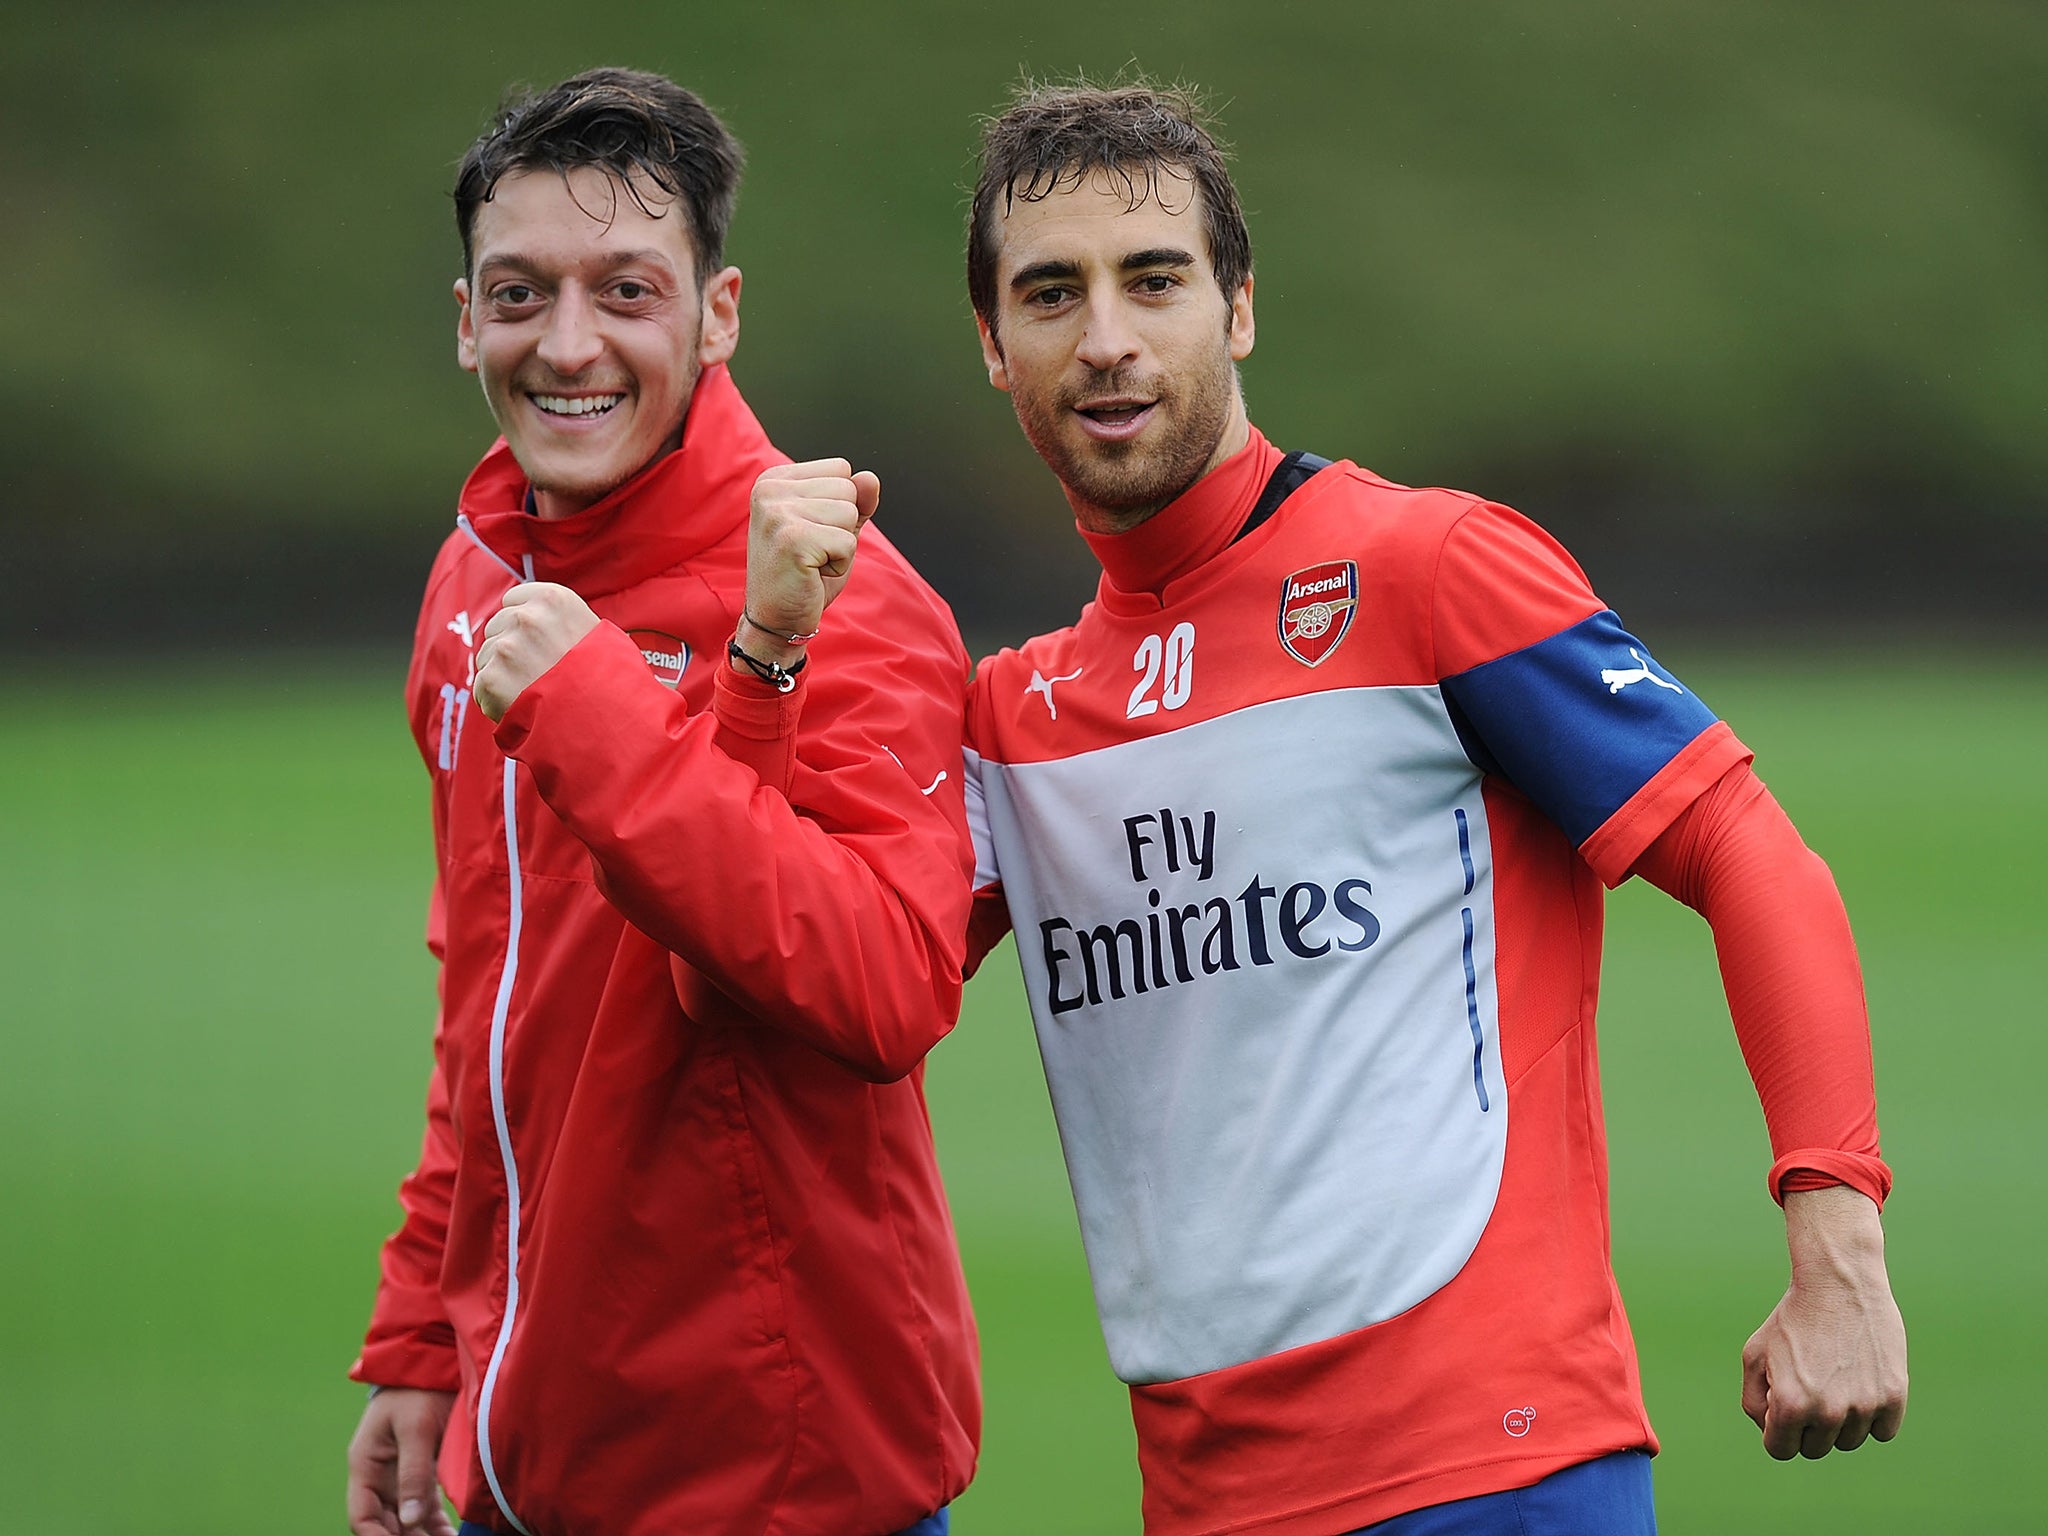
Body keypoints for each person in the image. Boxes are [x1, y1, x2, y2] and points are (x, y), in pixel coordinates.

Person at [744, 81, 1908, 1536]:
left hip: (1500, 1475)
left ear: (1237, 309)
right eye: (1052, 293)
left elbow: (1752, 852)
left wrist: (1837, 1242)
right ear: (995, 347)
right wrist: (767, 661)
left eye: (1152, 280)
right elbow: (818, 978)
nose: (1105, 337)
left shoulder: (1430, 569)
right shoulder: (1009, 720)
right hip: (1205, 1503)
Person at [344, 69, 978, 1536]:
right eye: (520, 294)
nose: (569, 346)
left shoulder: (847, 594)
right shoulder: (472, 585)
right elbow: (488, 1009)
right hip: (526, 1438)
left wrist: (611, 714)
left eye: (625, 289)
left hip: (776, 1473)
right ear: (464, 321)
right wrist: (424, 1334)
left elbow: (883, 986)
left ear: (718, 312)